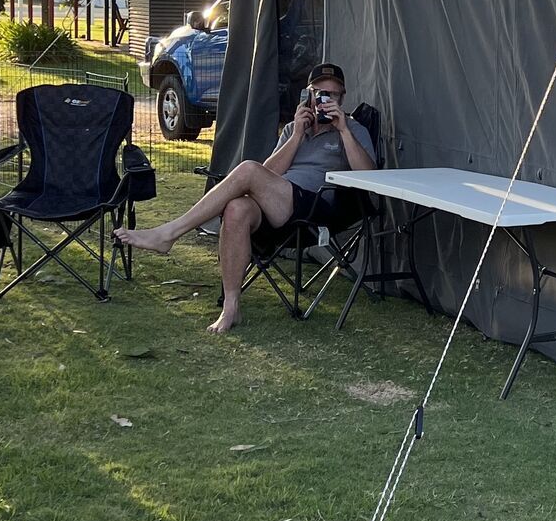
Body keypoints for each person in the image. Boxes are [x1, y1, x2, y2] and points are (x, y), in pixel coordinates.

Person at [117, 63, 376, 333]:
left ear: (342, 98)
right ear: (308, 95)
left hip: (317, 206)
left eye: (332, 95)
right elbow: (270, 173)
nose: (325, 100)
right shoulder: (293, 129)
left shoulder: (353, 129)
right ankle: (231, 308)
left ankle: (169, 233)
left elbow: (369, 176)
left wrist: (343, 130)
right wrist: (298, 135)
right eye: (319, 93)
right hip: (280, 204)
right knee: (237, 208)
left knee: (248, 170)